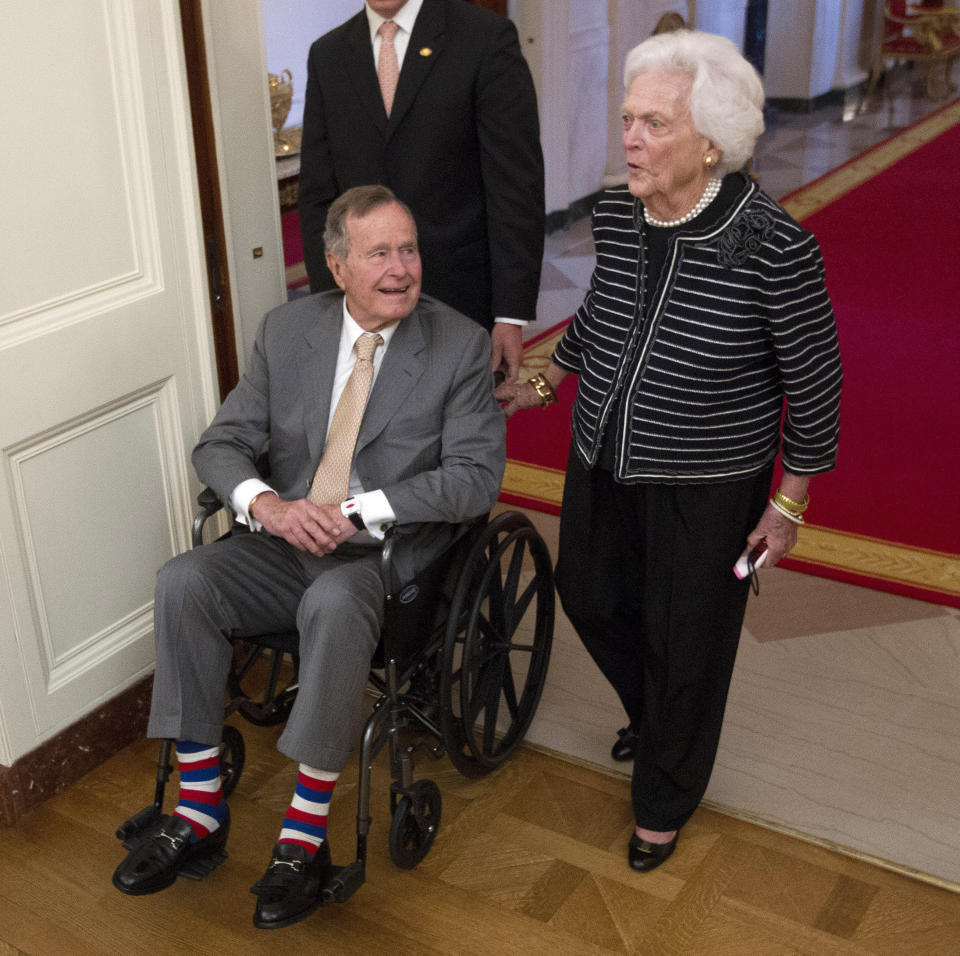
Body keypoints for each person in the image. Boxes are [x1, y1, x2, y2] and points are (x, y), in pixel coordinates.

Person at [112, 185, 506, 928]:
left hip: (382, 562)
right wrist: (270, 506)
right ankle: (199, 811)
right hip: (284, 542)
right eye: (379, 253)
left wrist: (358, 510)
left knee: (330, 600)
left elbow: (477, 476)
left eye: (409, 249)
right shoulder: (288, 330)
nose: (401, 269)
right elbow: (219, 443)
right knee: (184, 582)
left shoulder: (456, 344)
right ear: (337, 266)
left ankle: (303, 837)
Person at [497, 30, 841, 873]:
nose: (630, 138)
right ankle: (659, 723)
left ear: (711, 142)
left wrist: (787, 503)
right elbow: (603, 313)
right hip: (601, 453)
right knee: (587, 592)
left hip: (709, 479)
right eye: (627, 119)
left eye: (653, 123)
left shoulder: (774, 244)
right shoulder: (620, 211)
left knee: (687, 639)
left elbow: (818, 383)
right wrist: (543, 382)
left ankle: (664, 795)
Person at [298, 0, 545, 384]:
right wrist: (332, 302)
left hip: (461, 305)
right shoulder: (328, 54)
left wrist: (510, 315)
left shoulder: (484, 38)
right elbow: (318, 196)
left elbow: (514, 186)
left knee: (463, 440)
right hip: (362, 313)